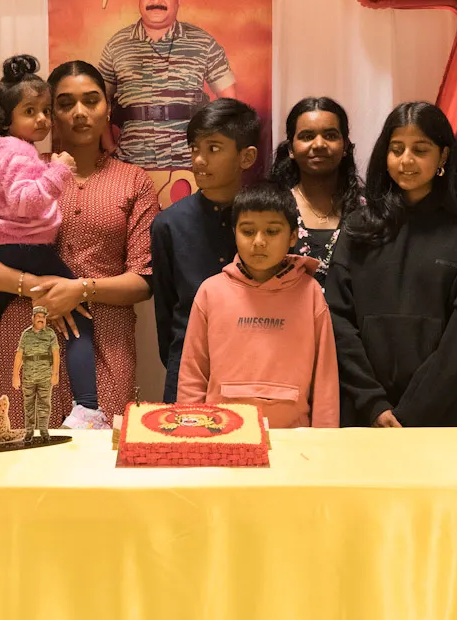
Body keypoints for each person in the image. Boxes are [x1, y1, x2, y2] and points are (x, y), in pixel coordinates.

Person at [0, 60, 160, 426]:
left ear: (107, 109)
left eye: (91, 101)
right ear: (49, 114)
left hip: (104, 347)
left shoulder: (133, 181)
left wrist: (80, 290)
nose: (79, 112)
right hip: (21, 343)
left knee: (98, 456)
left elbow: (143, 280)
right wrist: (32, 286)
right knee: (23, 456)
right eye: (64, 104)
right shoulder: (20, 169)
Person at [0, 56, 104, 429]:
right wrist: (59, 170)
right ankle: (89, 408)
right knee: (78, 315)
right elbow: (28, 199)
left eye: (45, 111)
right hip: (28, 249)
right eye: (30, 111)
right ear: (6, 118)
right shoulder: (23, 154)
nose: (42, 119)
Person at [328, 102, 457, 429]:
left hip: (445, 411)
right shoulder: (359, 226)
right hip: (366, 411)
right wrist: (372, 403)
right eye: (397, 149)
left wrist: (414, 412)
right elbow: (337, 318)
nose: (406, 160)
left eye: (420, 150)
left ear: (443, 156)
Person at [177, 183, 338, 428]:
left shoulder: (310, 292)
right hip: (222, 433)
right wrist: (192, 434)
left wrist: (324, 440)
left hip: (294, 438)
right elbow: (192, 375)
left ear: (293, 236)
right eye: (248, 231)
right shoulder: (211, 292)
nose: (259, 241)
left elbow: (325, 379)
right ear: (234, 233)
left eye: (272, 231)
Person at [150, 98, 260, 402]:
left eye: (213, 148)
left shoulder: (265, 222)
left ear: (246, 157)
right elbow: (166, 311)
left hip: (254, 368)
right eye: (194, 149)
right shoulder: (168, 224)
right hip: (187, 370)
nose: (199, 160)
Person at [98, 0, 238, 169]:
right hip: (131, 164)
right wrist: (109, 147)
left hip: (190, 164)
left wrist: (213, 148)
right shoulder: (116, 45)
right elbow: (99, 102)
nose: (156, 0)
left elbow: (230, 101)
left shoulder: (203, 42)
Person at [266, 96, 364, 286]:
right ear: (291, 149)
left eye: (330, 136)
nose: (319, 144)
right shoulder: (273, 207)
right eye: (307, 136)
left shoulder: (367, 210)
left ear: (345, 146)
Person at [13, 305, 60, 441]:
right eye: (38, 317)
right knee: (28, 405)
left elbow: (55, 354)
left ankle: (44, 430)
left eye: (43, 317)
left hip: (45, 376)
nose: (41, 319)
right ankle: (29, 431)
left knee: (44, 404)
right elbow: (19, 355)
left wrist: (55, 374)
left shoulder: (50, 334)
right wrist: (15, 375)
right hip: (29, 376)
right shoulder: (26, 334)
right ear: (33, 318)